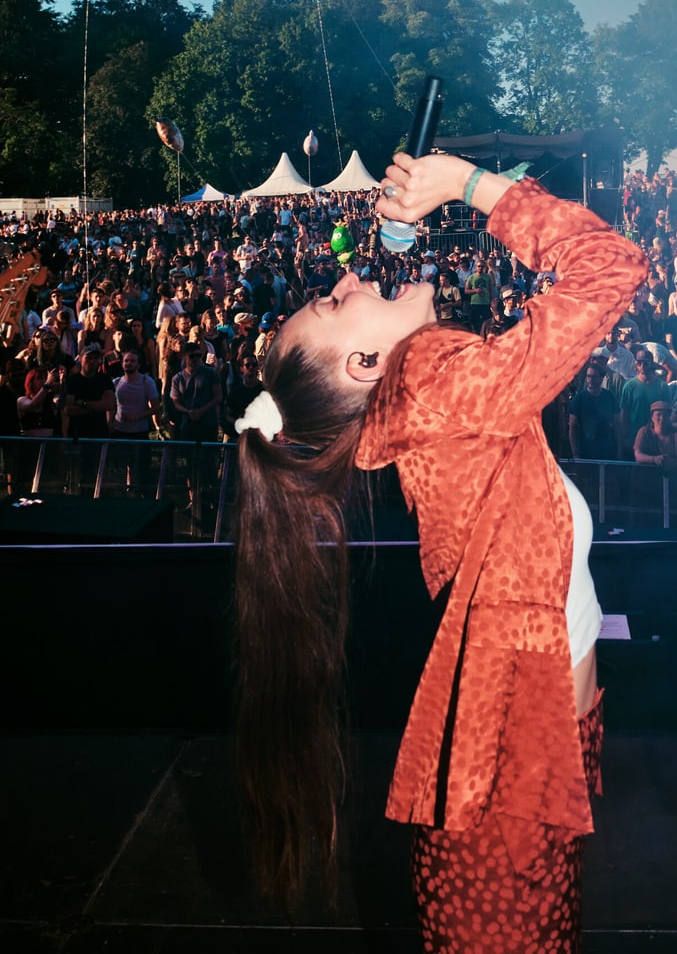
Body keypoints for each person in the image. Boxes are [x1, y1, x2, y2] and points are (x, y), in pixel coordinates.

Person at [233, 152, 647, 948]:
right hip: (507, 780)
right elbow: (610, 266)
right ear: (364, 366)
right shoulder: (428, 381)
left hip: (527, 749)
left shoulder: (423, 397)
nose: (348, 278)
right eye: (332, 300)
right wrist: (469, 186)